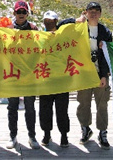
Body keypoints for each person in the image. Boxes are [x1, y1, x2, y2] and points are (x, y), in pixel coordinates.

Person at [60, 1, 112, 150]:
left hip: (99, 74)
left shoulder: (105, 32)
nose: (93, 13)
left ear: (100, 14)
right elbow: (60, 26)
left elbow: (107, 56)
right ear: (85, 12)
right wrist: (74, 20)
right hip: (82, 73)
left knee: (102, 104)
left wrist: (104, 75)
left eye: (96, 11)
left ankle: (102, 132)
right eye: (91, 10)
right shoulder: (79, 27)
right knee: (83, 104)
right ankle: (85, 128)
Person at [6, 0, 40, 150]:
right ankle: (12, 136)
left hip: (28, 74)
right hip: (12, 73)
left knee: (30, 107)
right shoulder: (7, 28)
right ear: (14, 13)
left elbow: (39, 48)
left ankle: (32, 136)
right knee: (12, 107)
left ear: (27, 13)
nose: (21, 15)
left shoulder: (33, 28)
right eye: (18, 12)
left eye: (23, 12)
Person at [38, 11, 70, 148]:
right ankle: (46, 133)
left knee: (62, 109)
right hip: (45, 79)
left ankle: (64, 135)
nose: (48, 23)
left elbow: (72, 22)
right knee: (45, 109)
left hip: (61, 79)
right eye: (46, 21)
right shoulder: (39, 37)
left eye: (51, 21)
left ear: (57, 22)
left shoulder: (63, 36)